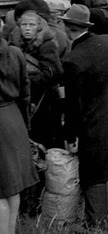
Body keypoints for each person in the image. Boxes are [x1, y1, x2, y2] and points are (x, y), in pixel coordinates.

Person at [60, 4, 108, 226]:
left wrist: (71, 137)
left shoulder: (73, 60)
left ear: (67, 28)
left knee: (94, 174)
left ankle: (97, 222)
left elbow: (73, 105)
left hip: (94, 125)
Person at [10, 0, 64, 149]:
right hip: (24, 101)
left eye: (32, 25)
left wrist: (27, 81)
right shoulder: (15, 44)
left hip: (44, 102)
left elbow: (54, 72)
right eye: (24, 25)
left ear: (39, 27)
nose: (27, 29)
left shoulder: (47, 45)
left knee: (44, 140)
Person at [0, 36, 39, 234]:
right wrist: (24, 124)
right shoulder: (15, 53)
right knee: (12, 185)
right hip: (14, 118)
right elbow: (25, 92)